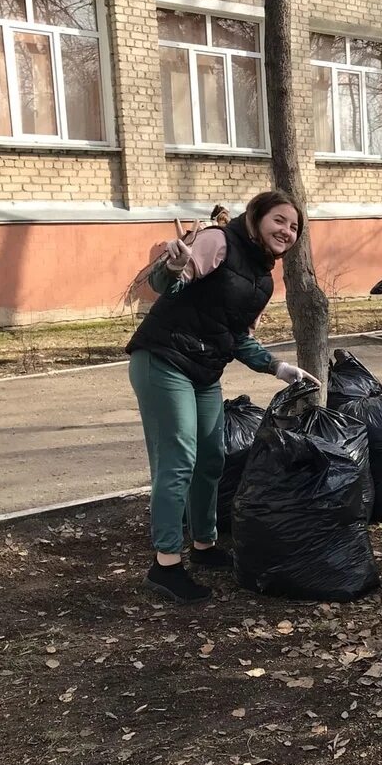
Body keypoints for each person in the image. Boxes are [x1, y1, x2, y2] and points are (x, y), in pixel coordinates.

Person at [127, 192, 318, 603]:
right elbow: (168, 285)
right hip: (162, 359)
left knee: (211, 457)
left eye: (294, 227)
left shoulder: (263, 279)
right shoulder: (219, 241)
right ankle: (165, 565)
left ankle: (203, 545)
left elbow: (236, 338)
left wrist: (278, 368)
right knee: (178, 460)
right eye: (279, 220)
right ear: (257, 217)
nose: (287, 231)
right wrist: (172, 265)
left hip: (203, 371)